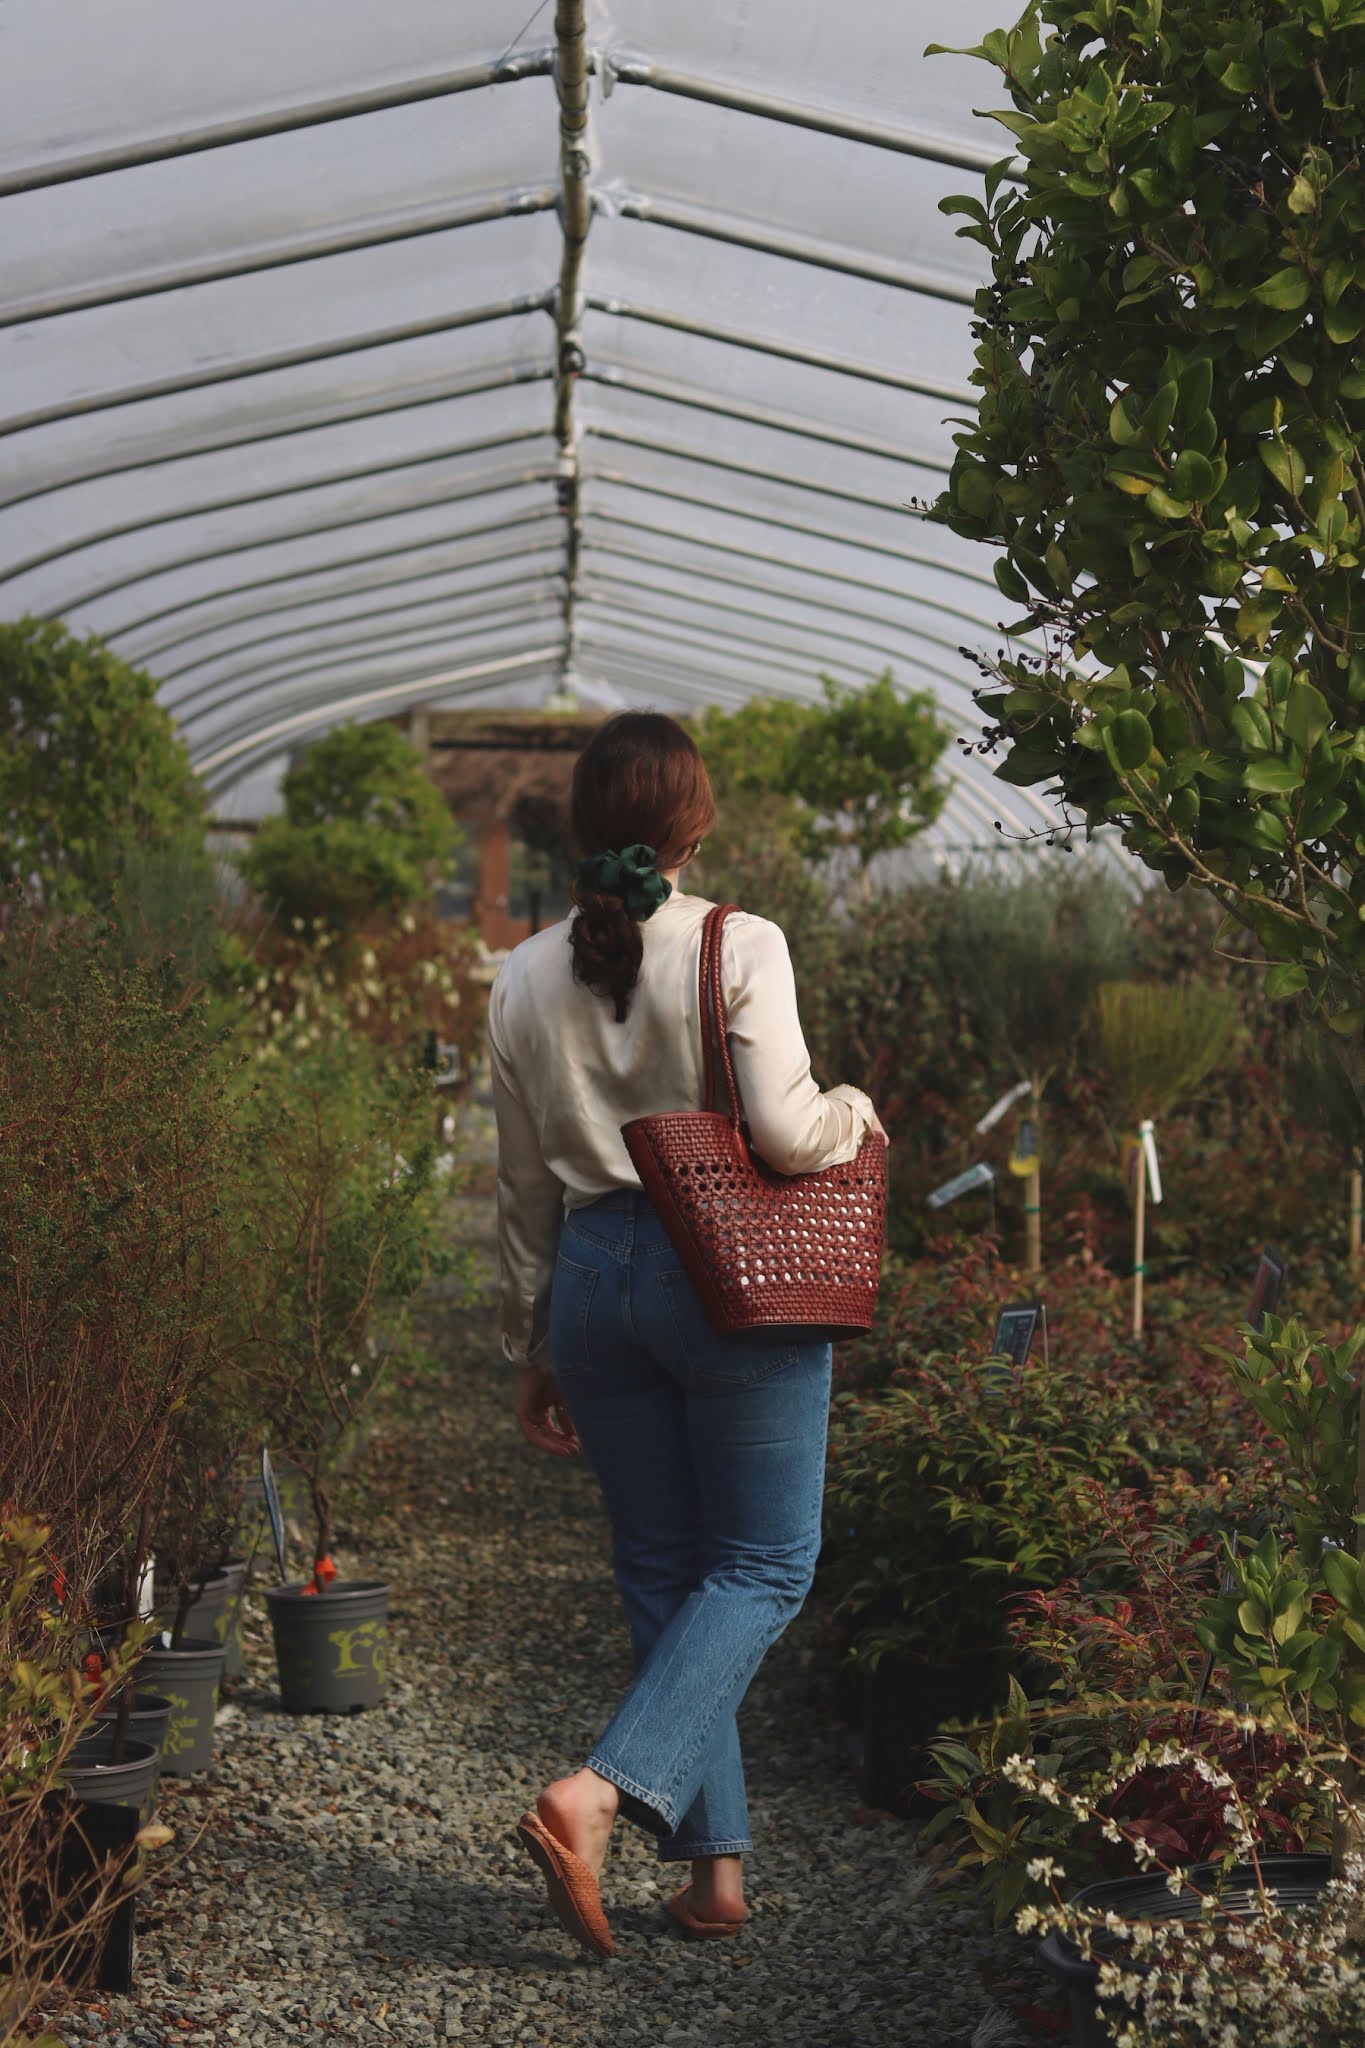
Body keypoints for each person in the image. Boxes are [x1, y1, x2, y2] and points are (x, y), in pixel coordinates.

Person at [488, 711, 885, 1958]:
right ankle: (596, 1792)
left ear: (581, 825)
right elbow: (779, 1130)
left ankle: (714, 1875)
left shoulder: (520, 971)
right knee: (766, 1562)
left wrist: (532, 1342)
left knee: (665, 1562)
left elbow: (517, 1189)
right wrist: (854, 1117)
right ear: (695, 820)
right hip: (729, 1271)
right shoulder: (739, 940)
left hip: (594, 1278)